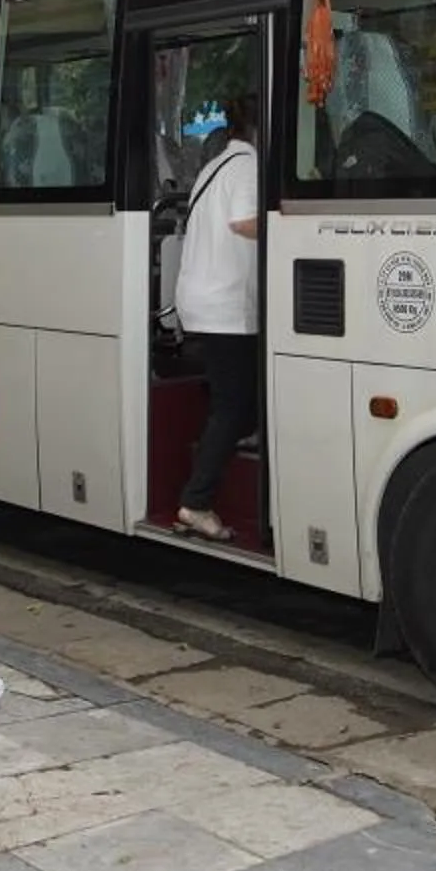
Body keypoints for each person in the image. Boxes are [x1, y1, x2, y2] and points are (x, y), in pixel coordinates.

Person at [173, 93, 261, 544]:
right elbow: (243, 222)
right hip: (224, 304)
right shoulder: (246, 166)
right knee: (231, 404)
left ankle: (245, 436)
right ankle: (197, 501)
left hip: (205, 299)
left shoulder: (215, 165)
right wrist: (291, 224)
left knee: (240, 394)